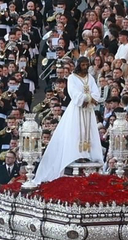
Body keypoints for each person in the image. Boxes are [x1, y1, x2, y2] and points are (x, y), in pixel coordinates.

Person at [30, 56, 103, 184]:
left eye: (87, 65)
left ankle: (87, 154)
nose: (85, 67)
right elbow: (74, 93)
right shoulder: (72, 78)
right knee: (75, 131)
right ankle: (76, 154)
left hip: (88, 109)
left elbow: (96, 92)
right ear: (78, 65)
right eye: (83, 65)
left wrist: (90, 99)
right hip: (77, 109)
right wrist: (86, 98)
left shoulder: (90, 78)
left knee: (89, 131)